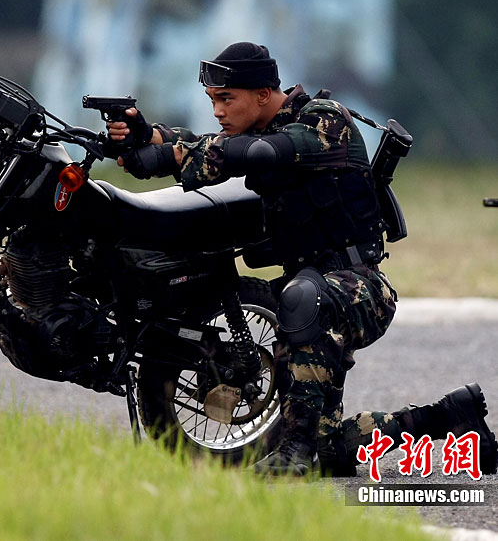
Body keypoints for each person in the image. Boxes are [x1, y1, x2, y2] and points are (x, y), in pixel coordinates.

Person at [107, 42, 497, 477]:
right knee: (333, 451)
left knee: (298, 299)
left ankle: (293, 452)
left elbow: (255, 153)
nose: (217, 110)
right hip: (312, 292)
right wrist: (144, 137)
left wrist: (169, 156)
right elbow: (199, 144)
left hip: (359, 287)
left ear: (262, 94)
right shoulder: (254, 129)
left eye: (226, 99)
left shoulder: (325, 119)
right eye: (212, 100)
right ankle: (452, 416)